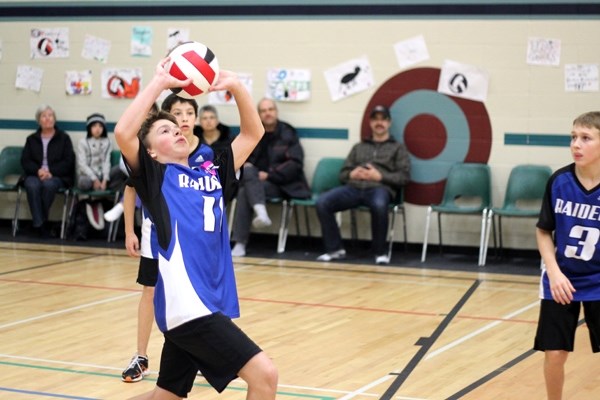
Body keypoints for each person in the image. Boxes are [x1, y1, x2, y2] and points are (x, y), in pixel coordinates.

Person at [114, 59, 277, 399]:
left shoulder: (213, 170)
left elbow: (253, 133)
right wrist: (159, 83)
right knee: (265, 375)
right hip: (188, 307)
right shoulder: (155, 177)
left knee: (165, 396)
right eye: (164, 130)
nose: (175, 130)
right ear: (150, 153)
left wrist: (236, 85)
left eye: (176, 128)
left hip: (208, 301)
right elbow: (123, 133)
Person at [120, 94, 216, 383]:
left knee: (194, 294)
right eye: (178, 113)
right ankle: (140, 355)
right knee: (150, 292)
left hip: (194, 242)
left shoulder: (206, 155)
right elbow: (130, 189)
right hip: (156, 237)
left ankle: (198, 352)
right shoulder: (154, 156)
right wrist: (129, 230)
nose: (184, 118)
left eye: (189, 112)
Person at [534, 111, 600, 400]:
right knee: (555, 352)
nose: (576, 144)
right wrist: (554, 272)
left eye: (585, 138)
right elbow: (543, 231)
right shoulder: (559, 181)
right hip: (562, 277)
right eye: (573, 137)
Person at [315, 105, 410, 265]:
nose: (379, 123)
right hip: (353, 188)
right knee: (323, 202)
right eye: (375, 119)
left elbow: (404, 177)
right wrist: (352, 174)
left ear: (389, 122)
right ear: (370, 122)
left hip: (380, 188)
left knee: (379, 205)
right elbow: (343, 173)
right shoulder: (359, 147)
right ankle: (335, 249)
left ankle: (380, 252)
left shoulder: (398, 148)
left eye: (383, 119)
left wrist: (380, 176)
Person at [230, 97, 310, 257]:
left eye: (270, 109)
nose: (268, 113)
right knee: (248, 175)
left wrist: (269, 175)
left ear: (276, 112)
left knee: (245, 190)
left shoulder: (287, 132)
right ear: (258, 114)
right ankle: (260, 212)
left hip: (283, 184)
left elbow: (295, 163)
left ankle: (240, 242)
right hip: (257, 183)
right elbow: (243, 156)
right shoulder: (254, 132)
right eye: (263, 111)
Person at [21, 104, 75, 237]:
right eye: (44, 116)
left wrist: (50, 172)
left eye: (50, 115)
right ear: (38, 120)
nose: (47, 119)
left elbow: (69, 162)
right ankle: (41, 224)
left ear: (54, 119)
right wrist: (38, 171)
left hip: (57, 176)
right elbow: (25, 161)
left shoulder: (64, 138)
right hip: (35, 174)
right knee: (32, 185)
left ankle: (38, 223)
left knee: (49, 185)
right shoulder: (31, 139)